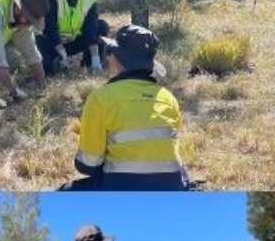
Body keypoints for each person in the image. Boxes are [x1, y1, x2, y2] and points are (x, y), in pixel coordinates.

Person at [62, 24, 189, 191]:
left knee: (66, 191)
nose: (107, 58)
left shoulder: (101, 98)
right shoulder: (169, 98)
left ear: (118, 60)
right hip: (172, 185)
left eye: (110, 52)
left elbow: (87, 164)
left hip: (121, 185)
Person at [38, 0, 109, 77]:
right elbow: (49, 29)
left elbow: (91, 31)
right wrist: (62, 54)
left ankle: (91, 64)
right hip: (49, 42)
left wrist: (96, 59)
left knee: (101, 26)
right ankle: (55, 61)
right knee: (50, 73)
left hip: (70, 41)